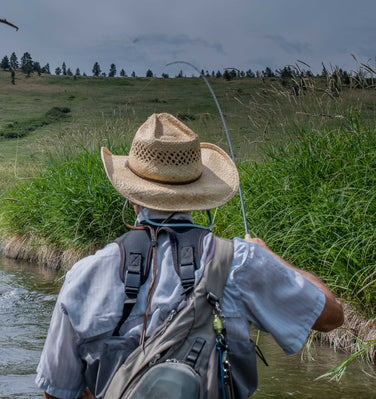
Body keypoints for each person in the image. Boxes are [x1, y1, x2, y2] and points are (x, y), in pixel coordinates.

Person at [35, 113, 344, 399]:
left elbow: (56, 390)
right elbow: (331, 316)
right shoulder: (241, 262)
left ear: (130, 196)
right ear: (201, 197)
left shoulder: (84, 274)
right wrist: (268, 255)